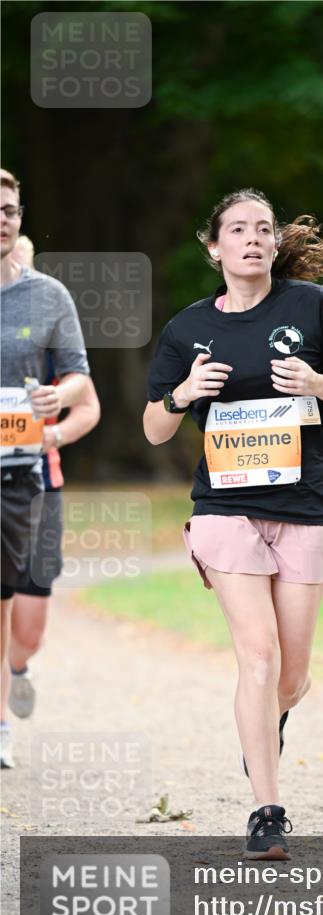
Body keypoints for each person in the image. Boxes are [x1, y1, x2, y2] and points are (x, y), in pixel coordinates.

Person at [144, 188, 323, 859]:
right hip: (225, 508)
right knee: (258, 653)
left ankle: (264, 729)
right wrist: (182, 394)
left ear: (276, 245)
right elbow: (155, 430)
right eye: (237, 229)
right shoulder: (188, 329)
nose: (252, 238)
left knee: (290, 677)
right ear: (213, 247)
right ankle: (266, 811)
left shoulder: (312, 308)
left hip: (305, 506)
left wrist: (315, 382)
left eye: (264, 229)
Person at [1, 168, 90, 768]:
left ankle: (19, 667)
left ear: (18, 218)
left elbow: (83, 382)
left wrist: (58, 403)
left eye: (7, 209)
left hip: (29, 477)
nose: (0, 219)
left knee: (26, 626)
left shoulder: (48, 296)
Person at [7, 226, 101, 719]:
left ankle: (16, 668)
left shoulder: (49, 329)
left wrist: (52, 435)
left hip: (41, 484)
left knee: (28, 633)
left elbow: (88, 406)